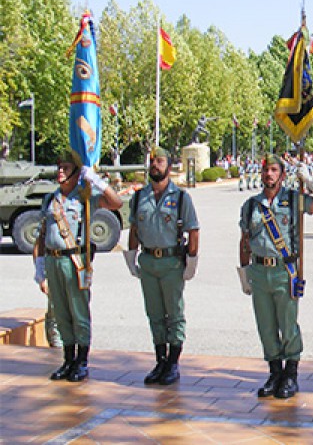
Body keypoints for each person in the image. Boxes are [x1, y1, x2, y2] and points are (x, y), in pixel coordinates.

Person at [237, 154, 313, 399]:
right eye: (266, 170)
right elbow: (245, 241)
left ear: (282, 174)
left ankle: (291, 374)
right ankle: (274, 372)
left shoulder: (293, 199)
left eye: (274, 170)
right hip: (259, 271)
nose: (269, 174)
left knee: (288, 325)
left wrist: (310, 182)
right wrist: (244, 273)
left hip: (284, 271)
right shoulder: (251, 205)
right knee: (266, 326)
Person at [33, 149, 123, 382]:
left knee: (79, 312)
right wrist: (39, 267)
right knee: (61, 312)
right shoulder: (50, 200)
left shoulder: (85, 197)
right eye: (59, 167)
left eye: (65, 168)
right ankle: (68, 359)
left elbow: (116, 202)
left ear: (75, 172)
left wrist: (97, 182)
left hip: (75, 262)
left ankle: (82, 361)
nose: (60, 172)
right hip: (53, 261)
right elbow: (43, 235)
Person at [123, 147, 200, 386]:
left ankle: (173, 363)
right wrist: (131, 257)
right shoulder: (139, 197)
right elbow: (134, 229)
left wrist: (192, 261)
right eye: (152, 161)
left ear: (169, 165)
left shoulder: (180, 197)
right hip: (148, 261)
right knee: (154, 313)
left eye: (160, 161)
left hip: (171, 261)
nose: (155, 164)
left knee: (174, 314)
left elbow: (193, 230)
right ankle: (160, 361)